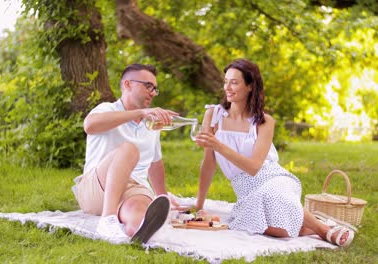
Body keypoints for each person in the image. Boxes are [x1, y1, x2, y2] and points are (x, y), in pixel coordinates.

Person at [194, 58, 354, 247]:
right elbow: (209, 164)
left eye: (234, 82)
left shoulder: (264, 121)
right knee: (279, 231)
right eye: (225, 81)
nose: (227, 87)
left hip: (272, 178)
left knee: (272, 195)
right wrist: (199, 205)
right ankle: (313, 220)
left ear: (250, 86)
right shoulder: (213, 115)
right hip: (244, 189)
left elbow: (254, 167)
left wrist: (218, 145)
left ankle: (323, 230)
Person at [72, 63, 178, 244]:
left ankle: (137, 230)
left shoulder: (151, 124)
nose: (153, 92)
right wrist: (141, 112)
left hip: (132, 188)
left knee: (139, 218)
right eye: (148, 86)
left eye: (155, 89)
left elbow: (154, 163)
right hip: (96, 187)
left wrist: (163, 196)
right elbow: (90, 125)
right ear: (128, 84)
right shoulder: (107, 109)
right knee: (129, 149)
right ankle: (107, 219)